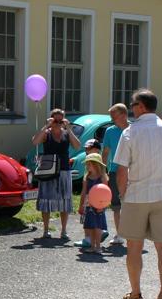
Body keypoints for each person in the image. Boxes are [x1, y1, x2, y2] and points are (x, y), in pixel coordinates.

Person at [114, 89, 162, 299]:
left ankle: (136, 292)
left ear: (141, 107)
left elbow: (122, 170)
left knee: (134, 247)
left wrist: (123, 194)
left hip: (137, 195)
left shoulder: (130, 133)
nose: (132, 108)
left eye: (133, 104)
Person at [31, 108, 80, 239]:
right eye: (55, 120)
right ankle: (46, 230)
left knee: (65, 200)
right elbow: (35, 141)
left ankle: (63, 231)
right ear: (51, 119)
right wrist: (46, 125)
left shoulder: (66, 133)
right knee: (46, 199)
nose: (58, 122)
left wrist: (69, 129)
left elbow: (77, 146)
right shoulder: (46, 133)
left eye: (60, 120)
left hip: (63, 169)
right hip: (48, 170)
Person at [101, 103, 129, 246]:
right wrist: (103, 172)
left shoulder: (134, 130)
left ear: (124, 115)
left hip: (133, 172)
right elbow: (105, 153)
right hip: (114, 171)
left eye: (114, 117)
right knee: (116, 205)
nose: (112, 120)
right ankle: (119, 234)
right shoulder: (110, 131)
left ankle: (134, 234)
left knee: (132, 204)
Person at [78, 153, 109, 254]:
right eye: (87, 164)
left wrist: (103, 205)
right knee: (90, 225)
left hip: (99, 204)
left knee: (98, 226)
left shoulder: (103, 177)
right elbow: (83, 191)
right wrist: (81, 205)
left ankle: (98, 246)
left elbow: (106, 192)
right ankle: (92, 246)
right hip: (89, 204)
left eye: (89, 164)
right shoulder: (87, 177)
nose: (87, 166)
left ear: (96, 164)